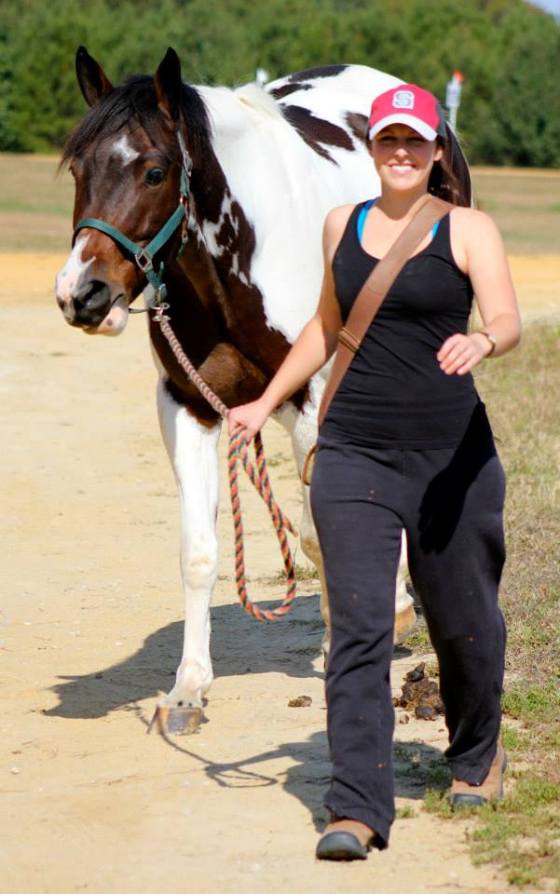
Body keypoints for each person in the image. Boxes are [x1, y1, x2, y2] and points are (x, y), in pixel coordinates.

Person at [228, 83, 521, 860]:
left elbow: (507, 319)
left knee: (464, 624)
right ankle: (355, 806)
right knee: (357, 628)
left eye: (414, 141)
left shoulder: (468, 229)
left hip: (452, 460)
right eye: (388, 139)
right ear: (372, 147)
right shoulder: (342, 225)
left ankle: (477, 755)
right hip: (354, 450)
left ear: (435, 151)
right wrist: (264, 402)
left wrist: (484, 341)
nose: (400, 152)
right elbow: (327, 327)